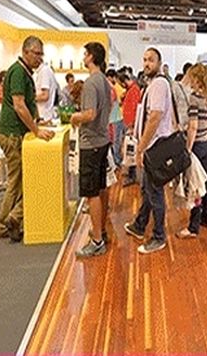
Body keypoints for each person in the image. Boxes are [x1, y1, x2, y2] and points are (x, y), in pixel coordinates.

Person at [0, 36, 55, 242]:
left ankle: (11, 219)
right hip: (12, 133)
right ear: (26, 52)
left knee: (19, 179)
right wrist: (36, 130)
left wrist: (37, 121)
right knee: (16, 180)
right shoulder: (19, 72)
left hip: (15, 132)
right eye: (37, 53)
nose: (40, 58)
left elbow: (27, 104)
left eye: (41, 54)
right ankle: (5, 222)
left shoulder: (24, 72)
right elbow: (19, 105)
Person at [124, 48, 174, 254]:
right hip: (152, 146)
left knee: (155, 192)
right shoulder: (152, 84)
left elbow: (155, 117)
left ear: (159, 63)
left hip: (155, 147)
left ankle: (159, 236)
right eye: (144, 59)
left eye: (151, 60)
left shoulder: (159, 84)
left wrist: (141, 148)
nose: (146, 63)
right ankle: (140, 224)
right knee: (148, 189)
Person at [72, 43, 113, 258]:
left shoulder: (90, 83)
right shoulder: (105, 81)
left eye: (85, 54)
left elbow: (89, 114)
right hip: (102, 141)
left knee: (91, 193)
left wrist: (74, 117)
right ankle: (101, 230)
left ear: (91, 56)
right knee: (100, 188)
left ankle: (97, 240)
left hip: (91, 143)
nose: (83, 57)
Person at [182, 64, 207, 237]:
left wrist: (188, 148)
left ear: (197, 79)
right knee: (205, 181)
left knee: (195, 185)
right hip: (205, 143)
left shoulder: (194, 98)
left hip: (195, 145)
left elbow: (193, 126)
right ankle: (206, 217)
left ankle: (193, 226)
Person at [118, 70, 141, 186]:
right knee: (129, 149)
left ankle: (132, 176)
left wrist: (132, 125)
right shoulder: (130, 90)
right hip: (128, 123)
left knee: (131, 150)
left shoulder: (134, 90)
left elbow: (135, 108)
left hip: (131, 125)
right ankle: (132, 175)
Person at [105, 69, 125, 169]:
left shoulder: (110, 87)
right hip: (115, 117)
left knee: (115, 140)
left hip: (114, 117)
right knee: (116, 140)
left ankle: (116, 161)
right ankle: (116, 161)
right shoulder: (111, 88)